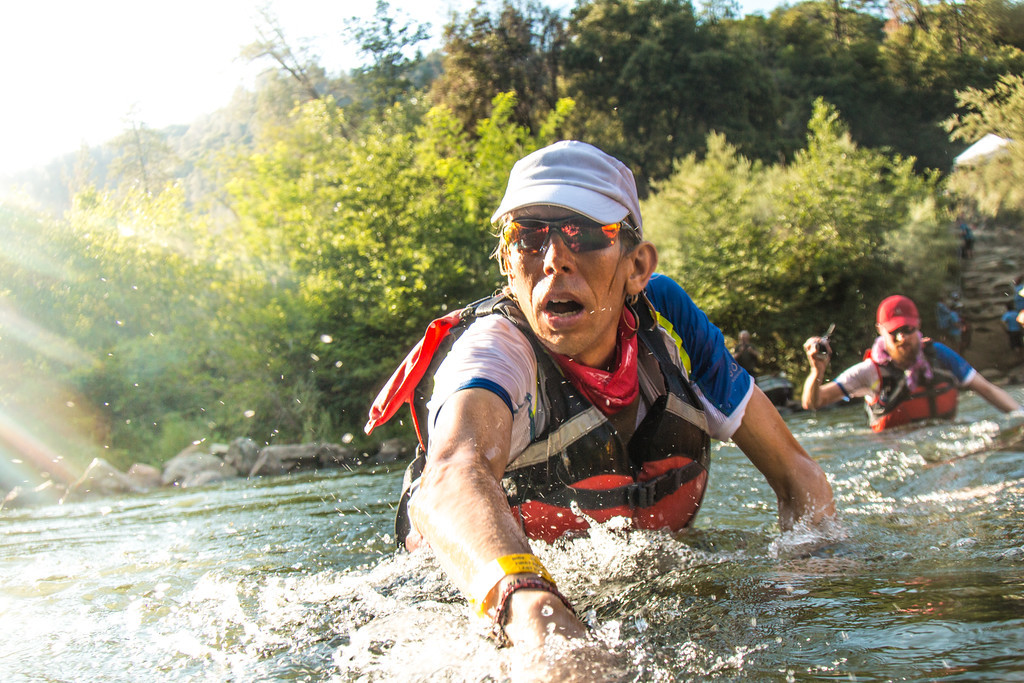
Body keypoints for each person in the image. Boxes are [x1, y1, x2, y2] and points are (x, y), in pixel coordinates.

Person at [366, 140, 835, 656]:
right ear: (507, 263)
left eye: (585, 234)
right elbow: (453, 476)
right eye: (528, 236)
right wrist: (535, 613)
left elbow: (799, 476)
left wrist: (807, 582)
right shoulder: (494, 351)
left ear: (637, 266)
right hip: (487, 607)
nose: (554, 260)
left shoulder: (671, 321)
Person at [802, 294, 1020, 431]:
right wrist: (817, 372)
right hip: (896, 454)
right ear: (880, 331)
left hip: (947, 444)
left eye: (907, 329)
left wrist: (1020, 417)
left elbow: (987, 389)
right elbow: (813, 402)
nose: (902, 338)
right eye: (894, 331)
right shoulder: (869, 372)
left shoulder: (940, 355)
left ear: (918, 325)